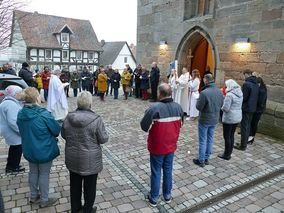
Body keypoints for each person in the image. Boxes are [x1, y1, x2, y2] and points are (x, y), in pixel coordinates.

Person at [61, 91, 109, 213]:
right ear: (90, 105)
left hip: (73, 158)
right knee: (90, 187)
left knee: (75, 185)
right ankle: (88, 209)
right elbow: (103, 139)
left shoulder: (68, 117)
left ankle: (75, 208)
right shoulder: (96, 119)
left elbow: (64, 134)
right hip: (90, 160)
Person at [140, 83, 184, 207]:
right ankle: (167, 195)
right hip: (171, 146)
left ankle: (154, 197)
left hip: (157, 147)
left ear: (160, 94)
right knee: (168, 170)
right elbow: (181, 124)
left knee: (156, 171)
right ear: (170, 94)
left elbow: (144, 126)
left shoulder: (154, 109)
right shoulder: (179, 108)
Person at [17, 87, 61, 208]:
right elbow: (57, 130)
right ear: (37, 98)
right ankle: (44, 200)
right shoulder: (43, 114)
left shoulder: (20, 113)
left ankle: (33, 196)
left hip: (29, 148)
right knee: (44, 174)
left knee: (33, 172)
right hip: (44, 149)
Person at [193, 74, 224, 167]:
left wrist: (198, 100)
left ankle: (201, 160)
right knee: (210, 139)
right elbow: (221, 104)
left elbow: (199, 107)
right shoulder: (219, 92)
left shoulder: (204, 92)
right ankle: (206, 158)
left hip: (205, 120)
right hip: (214, 119)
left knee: (202, 140)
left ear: (206, 80)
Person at [0, 86, 24, 173]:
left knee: (14, 149)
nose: (21, 94)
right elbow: (13, 121)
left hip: (9, 130)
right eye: (19, 93)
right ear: (14, 94)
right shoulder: (11, 104)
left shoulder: (7, 101)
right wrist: (21, 131)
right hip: (13, 132)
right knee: (16, 149)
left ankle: (11, 165)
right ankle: (13, 167)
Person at [234, 69, 259, 151]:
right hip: (252, 108)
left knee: (244, 127)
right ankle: (243, 142)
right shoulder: (255, 84)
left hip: (246, 108)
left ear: (246, 74)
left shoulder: (247, 84)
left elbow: (244, 97)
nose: (243, 77)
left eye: (243, 75)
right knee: (247, 126)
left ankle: (243, 146)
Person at [218, 79, 243, 160]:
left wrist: (221, 107)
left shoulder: (230, 95)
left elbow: (226, 108)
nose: (225, 87)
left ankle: (226, 154)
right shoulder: (240, 93)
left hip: (229, 118)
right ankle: (229, 153)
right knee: (231, 135)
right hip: (236, 117)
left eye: (226, 85)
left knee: (227, 136)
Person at [248, 77, 267, 144]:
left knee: (254, 123)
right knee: (252, 123)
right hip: (257, 109)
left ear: (260, 83)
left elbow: (260, 102)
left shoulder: (262, 90)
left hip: (258, 110)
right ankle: (251, 137)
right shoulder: (261, 89)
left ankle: (251, 137)